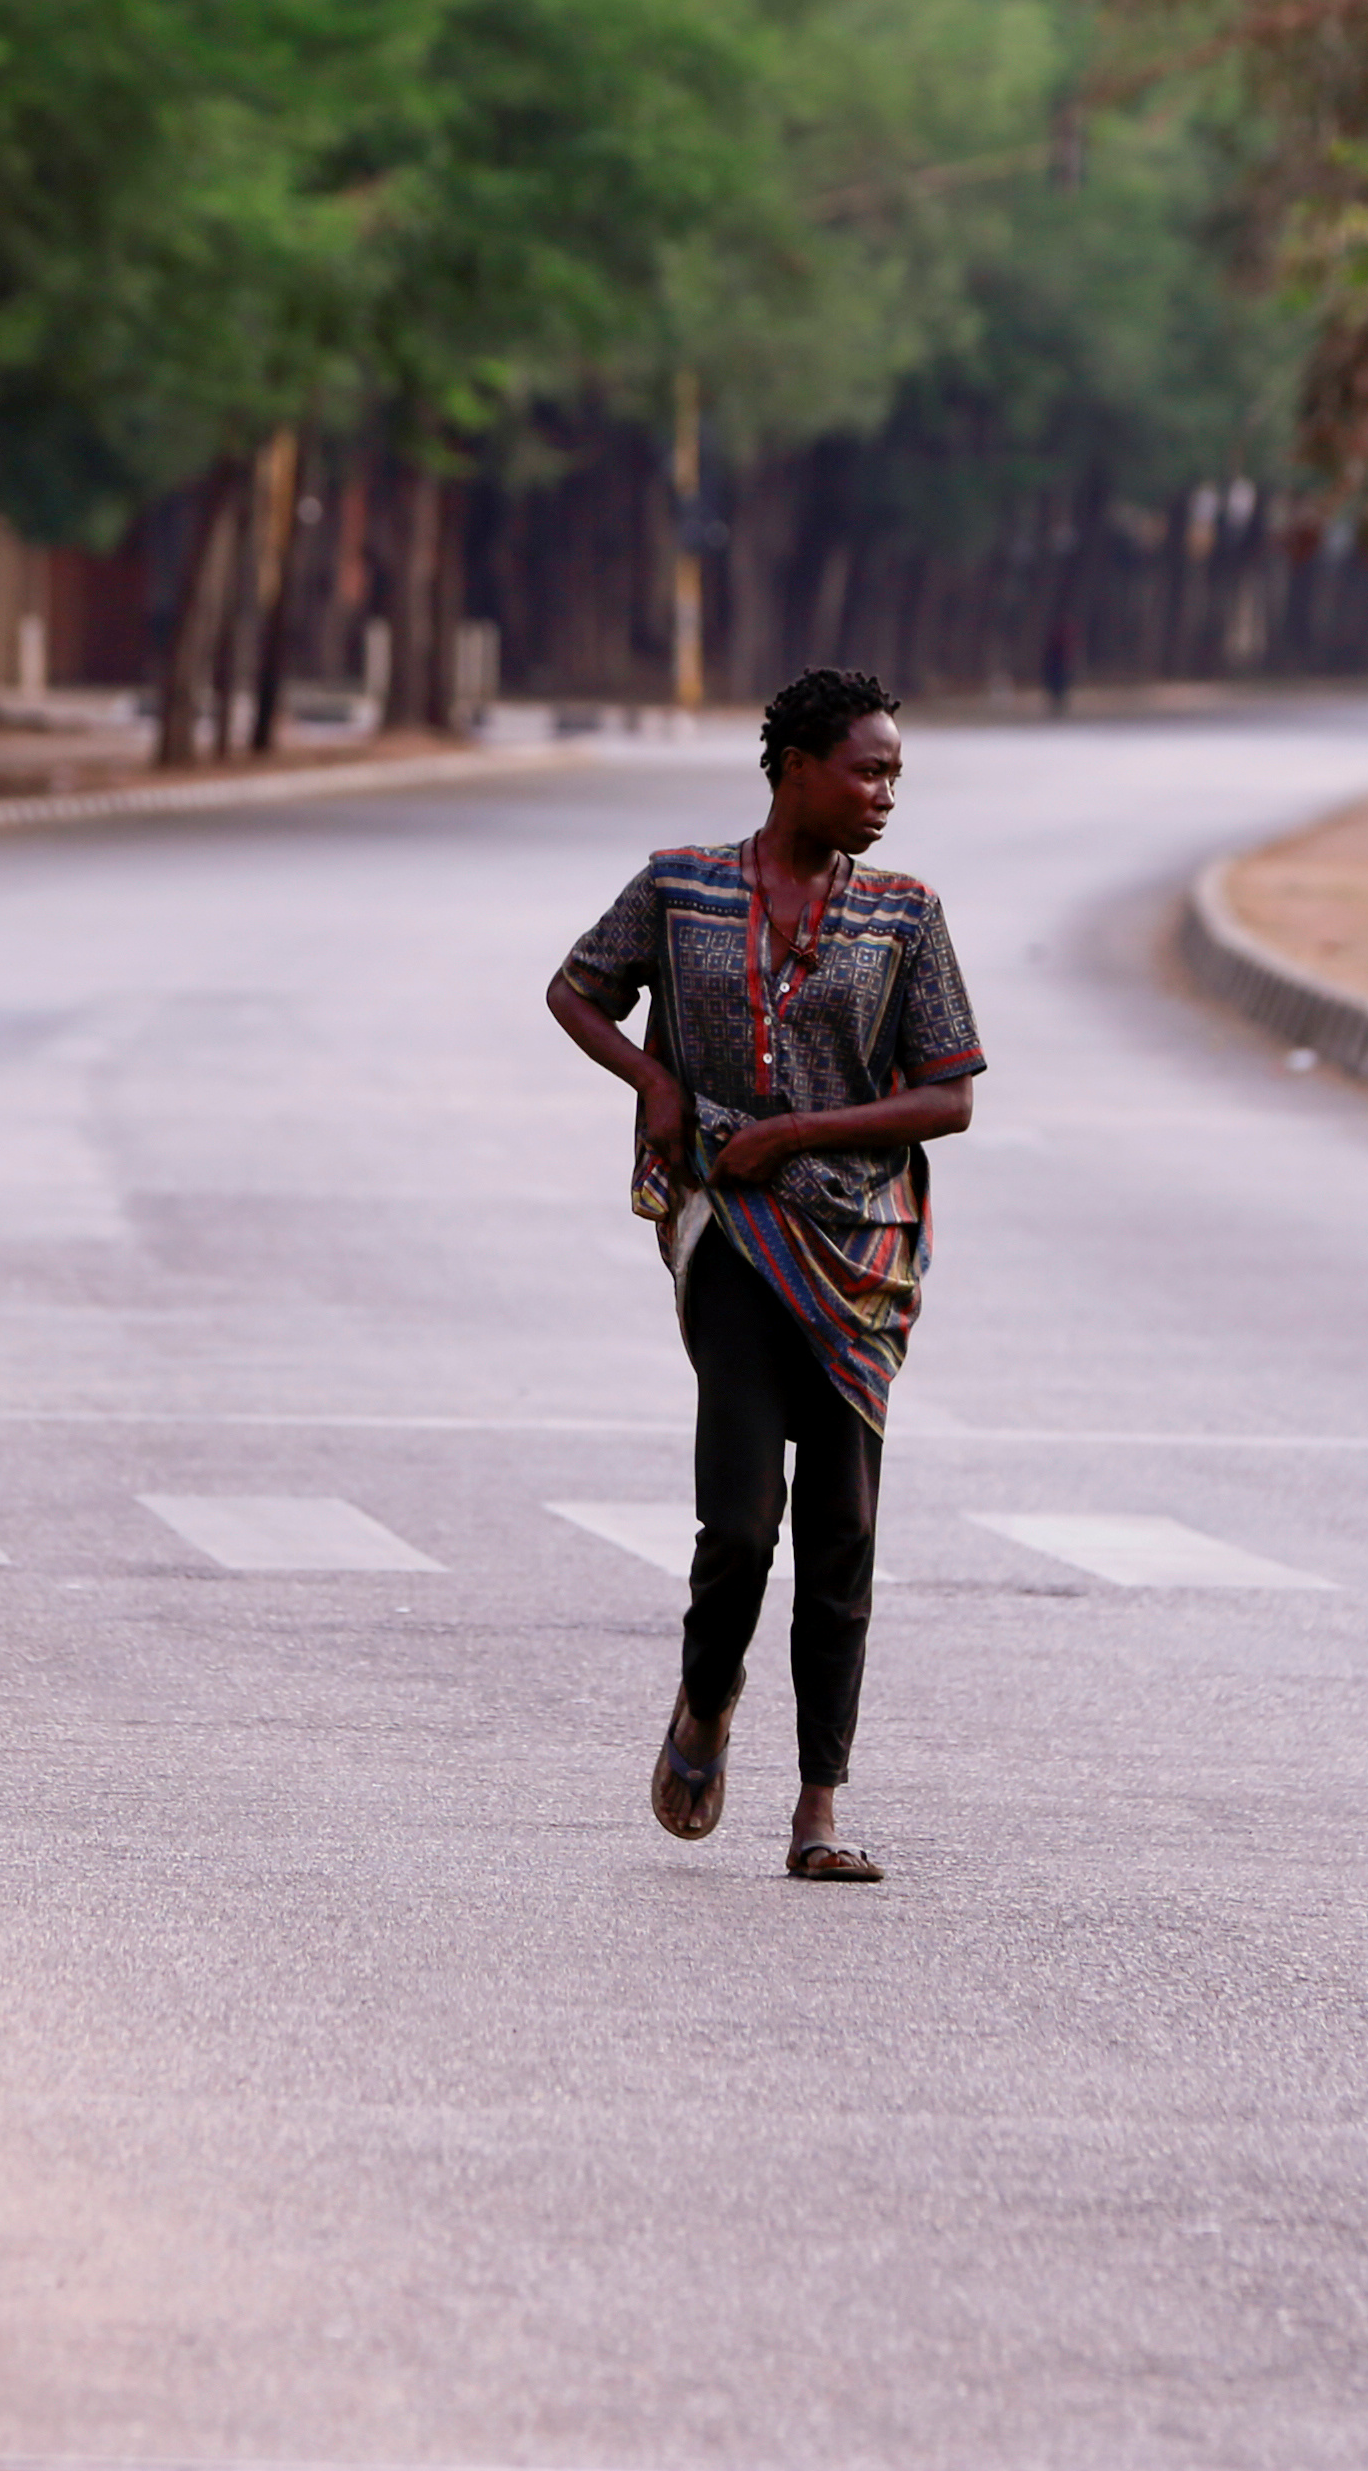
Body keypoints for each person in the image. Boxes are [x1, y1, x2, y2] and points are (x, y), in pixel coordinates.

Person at [544, 665, 985, 1884]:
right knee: (739, 1525)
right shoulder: (683, 885)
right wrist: (655, 1082)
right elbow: (576, 990)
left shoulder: (905, 915)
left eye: (896, 772)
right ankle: (704, 1705)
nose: (887, 792)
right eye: (868, 768)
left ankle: (819, 1808)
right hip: (731, 1235)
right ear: (796, 765)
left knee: (841, 1530)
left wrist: (793, 1134)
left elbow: (946, 1094)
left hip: (862, 1259)